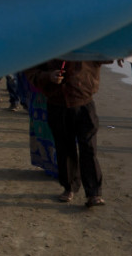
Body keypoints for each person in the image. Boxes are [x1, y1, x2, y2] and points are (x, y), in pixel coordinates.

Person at [25, 60, 108, 207]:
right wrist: (48, 76)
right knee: (64, 148)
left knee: (88, 148)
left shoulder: (85, 40)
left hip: (84, 102)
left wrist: (122, 52)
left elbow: (105, 53)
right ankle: (69, 187)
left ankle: (94, 192)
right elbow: (31, 71)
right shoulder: (46, 45)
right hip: (56, 103)